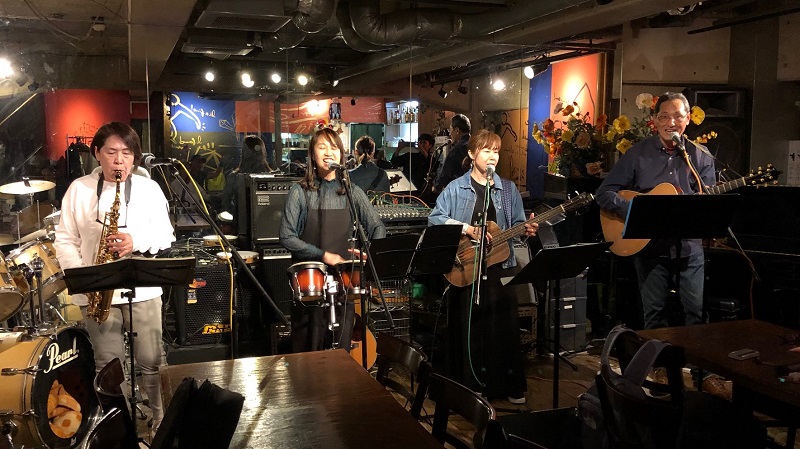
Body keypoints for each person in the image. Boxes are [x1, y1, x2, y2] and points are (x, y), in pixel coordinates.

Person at [595, 93, 728, 396]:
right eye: (664, 116)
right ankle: (657, 371)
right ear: (654, 121)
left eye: (678, 116)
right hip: (649, 249)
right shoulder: (637, 154)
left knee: (696, 313)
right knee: (654, 314)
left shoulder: (700, 156)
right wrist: (637, 210)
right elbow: (604, 193)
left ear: (687, 119)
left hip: (689, 248)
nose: (671, 122)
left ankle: (703, 374)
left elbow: (708, 203)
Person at [54, 122, 175, 435]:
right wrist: (84, 275)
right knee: (108, 366)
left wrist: (135, 241)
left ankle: (162, 424)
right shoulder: (79, 189)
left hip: (143, 289)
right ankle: (120, 432)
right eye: (111, 152)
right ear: (97, 153)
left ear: (134, 157)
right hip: (96, 291)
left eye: (126, 153)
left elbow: (166, 235)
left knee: (153, 360)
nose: (119, 160)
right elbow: (64, 239)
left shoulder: (149, 188)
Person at [428, 129, 538, 403]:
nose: (492, 156)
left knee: (503, 327)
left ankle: (507, 385)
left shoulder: (508, 190)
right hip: (466, 267)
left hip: (501, 265)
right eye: (486, 150)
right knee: (471, 328)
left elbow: (517, 226)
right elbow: (435, 218)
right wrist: (467, 229)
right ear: (471, 153)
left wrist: (526, 229)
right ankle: (470, 385)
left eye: (496, 151)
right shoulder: (456, 188)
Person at [279, 127, 386, 353]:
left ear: (342, 154)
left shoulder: (351, 191)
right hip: (309, 285)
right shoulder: (299, 192)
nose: (329, 152)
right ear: (312, 154)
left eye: (334, 147)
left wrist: (371, 252)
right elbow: (287, 236)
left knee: (341, 350)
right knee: (308, 350)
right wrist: (323, 255)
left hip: (344, 283)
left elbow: (377, 226)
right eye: (322, 147)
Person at [434, 114, 471, 192]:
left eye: (450, 130)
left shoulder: (457, 149)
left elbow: (445, 173)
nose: (450, 134)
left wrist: (437, 186)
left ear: (457, 130)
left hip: (458, 191)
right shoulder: (476, 146)